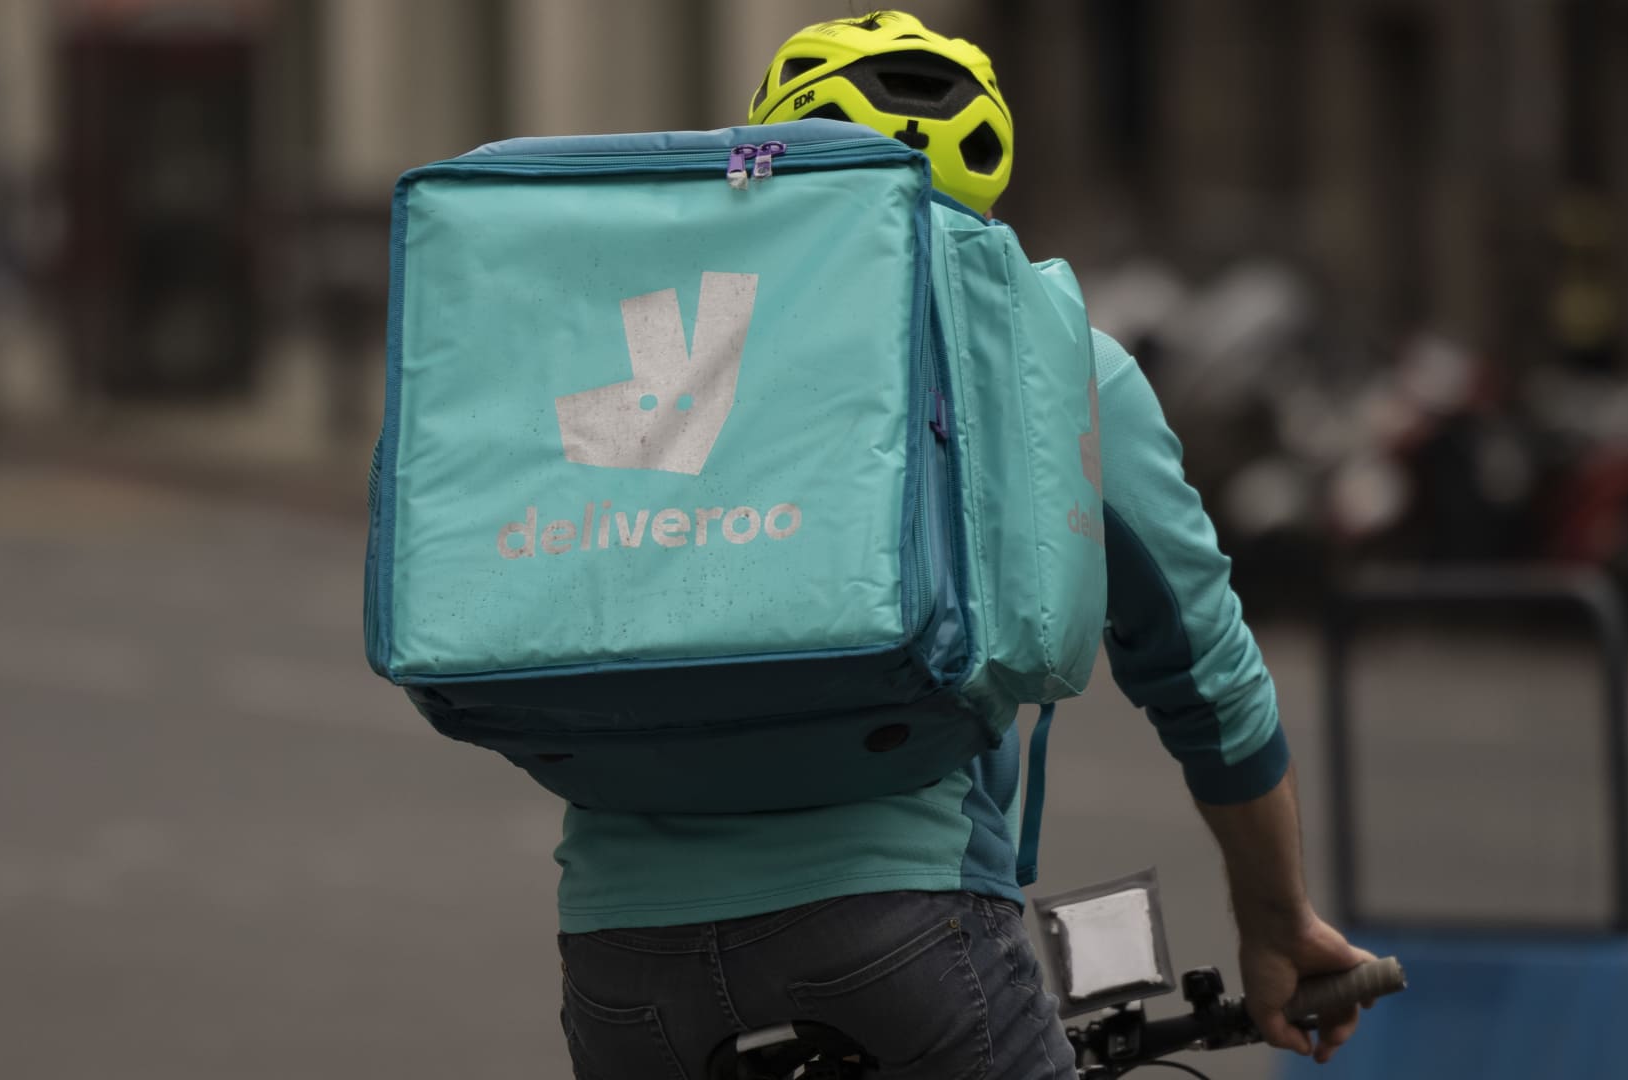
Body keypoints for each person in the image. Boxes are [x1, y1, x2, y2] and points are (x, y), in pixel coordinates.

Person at [554, 12, 1372, 1079]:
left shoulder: (664, 332)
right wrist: (1275, 924)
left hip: (621, 950)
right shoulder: (1058, 357)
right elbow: (1207, 676)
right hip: (903, 932)